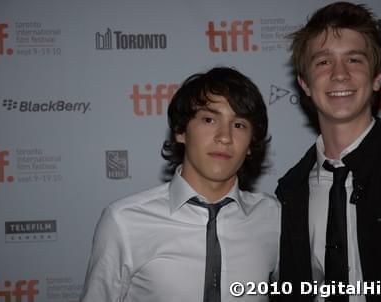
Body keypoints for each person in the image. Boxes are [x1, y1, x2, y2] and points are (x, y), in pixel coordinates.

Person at [275, 2, 381, 302]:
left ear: (377, 77)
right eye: (323, 62)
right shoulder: (291, 191)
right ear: (304, 84)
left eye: (354, 60)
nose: (340, 74)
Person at [80, 67, 280, 302]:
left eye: (239, 125)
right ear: (180, 131)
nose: (224, 136)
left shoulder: (274, 217)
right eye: (209, 119)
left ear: (250, 145)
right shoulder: (124, 221)